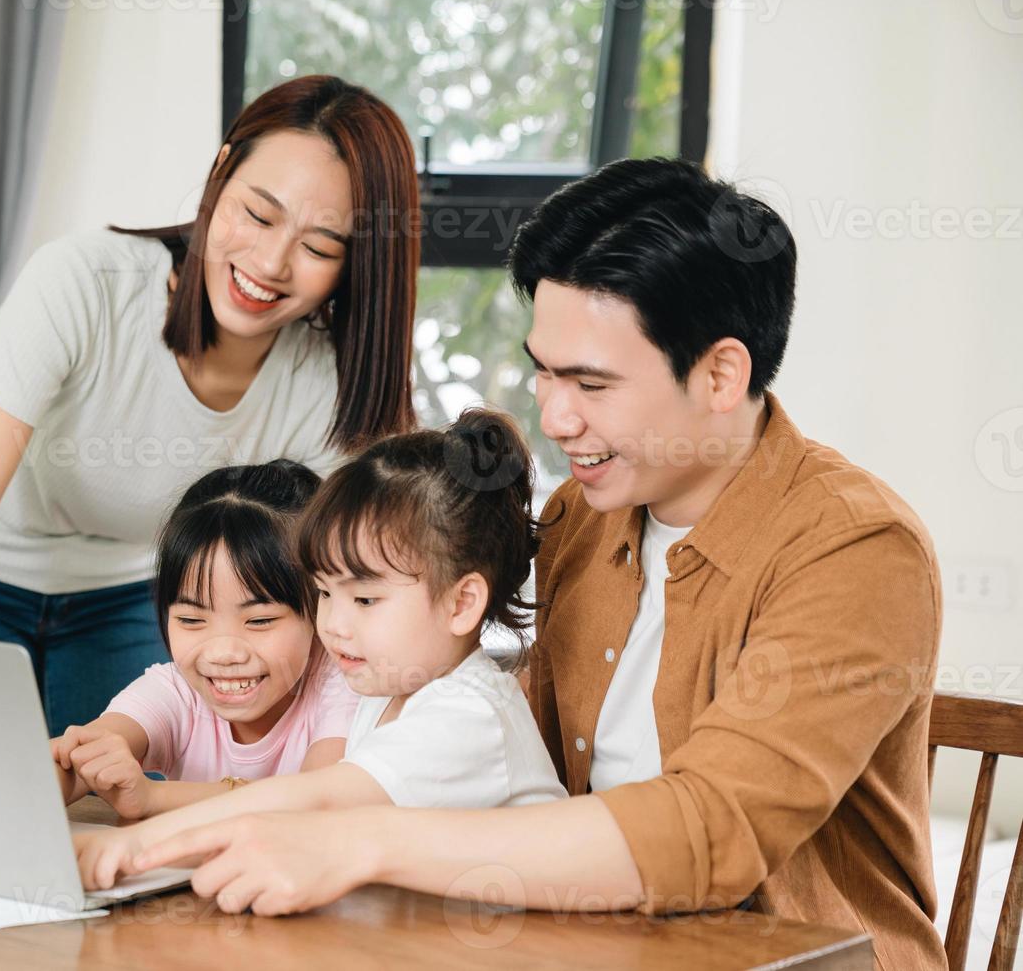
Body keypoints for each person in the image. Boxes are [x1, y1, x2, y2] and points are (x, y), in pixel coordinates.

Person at [131, 158, 946, 970]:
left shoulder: (855, 551)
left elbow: (709, 831)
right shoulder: (580, 521)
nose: (555, 416)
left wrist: (361, 840)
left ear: (721, 373)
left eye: (591, 383)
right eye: (545, 372)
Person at [0, 75, 419, 736]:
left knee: (111, 789)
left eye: (318, 247)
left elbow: (331, 589)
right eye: (257, 214)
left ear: (355, 264)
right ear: (221, 172)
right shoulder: (85, 283)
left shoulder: (333, 382)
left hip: (123, 585)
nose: (271, 263)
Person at [76, 408, 567, 891]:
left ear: (461, 603)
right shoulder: (383, 685)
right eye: (325, 594)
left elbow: (315, 802)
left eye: (366, 599)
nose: (331, 624)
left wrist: (140, 843)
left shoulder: (470, 714)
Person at [49, 459, 358, 820]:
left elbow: (318, 803)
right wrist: (70, 766)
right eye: (191, 619)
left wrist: (154, 797)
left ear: (322, 606)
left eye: (259, 620)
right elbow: (79, 759)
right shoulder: (175, 691)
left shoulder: (344, 688)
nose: (223, 652)